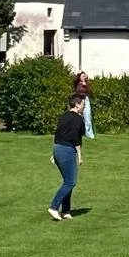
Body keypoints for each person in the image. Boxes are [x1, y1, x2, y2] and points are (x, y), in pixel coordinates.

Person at [49, 92, 87, 220]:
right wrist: (80, 155)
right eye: (83, 105)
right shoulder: (77, 119)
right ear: (77, 105)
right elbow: (76, 138)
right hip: (67, 150)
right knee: (71, 181)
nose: (84, 107)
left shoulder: (63, 116)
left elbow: (58, 133)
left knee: (67, 181)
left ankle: (65, 211)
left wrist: (54, 153)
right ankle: (54, 207)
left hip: (58, 148)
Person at [71, 72, 95, 139]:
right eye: (82, 76)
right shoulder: (77, 83)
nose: (83, 77)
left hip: (85, 100)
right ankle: (78, 133)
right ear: (80, 77)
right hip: (78, 100)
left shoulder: (87, 83)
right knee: (77, 116)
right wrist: (78, 74)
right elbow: (74, 80)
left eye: (84, 76)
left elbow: (90, 92)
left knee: (87, 117)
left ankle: (89, 133)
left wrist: (86, 85)